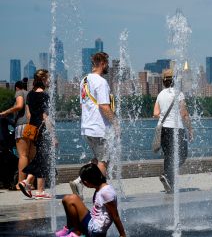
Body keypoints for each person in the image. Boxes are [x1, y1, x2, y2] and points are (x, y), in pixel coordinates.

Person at [70, 52, 119, 199]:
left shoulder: (84, 80)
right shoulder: (101, 81)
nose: (107, 67)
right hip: (99, 128)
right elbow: (104, 106)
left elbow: (82, 104)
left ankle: (79, 181)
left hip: (88, 127)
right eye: (107, 64)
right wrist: (116, 124)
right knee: (103, 162)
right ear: (103, 63)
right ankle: (101, 196)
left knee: (98, 158)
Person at [56, 163, 126, 237]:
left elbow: (115, 215)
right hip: (93, 224)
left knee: (72, 199)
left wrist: (122, 234)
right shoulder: (100, 187)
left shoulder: (106, 192)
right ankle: (70, 228)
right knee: (67, 200)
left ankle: (76, 233)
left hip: (95, 230)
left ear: (86, 182)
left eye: (82, 181)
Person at [18, 69, 58, 199]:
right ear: (43, 80)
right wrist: (53, 136)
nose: (49, 81)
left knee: (41, 157)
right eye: (48, 79)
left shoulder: (30, 94)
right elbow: (45, 116)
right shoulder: (44, 95)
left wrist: (32, 130)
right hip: (43, 130)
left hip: (33, 129)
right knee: (43, 157)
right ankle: (30, 184)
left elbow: (29, 115)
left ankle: (33, 185)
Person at [153, 68, 193, 193]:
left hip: (163, 129)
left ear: (164, 81)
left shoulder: (160, 94)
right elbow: (184, 114)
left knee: (168, 156)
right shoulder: (178, 94)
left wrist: (166, 116)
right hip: (176, 129)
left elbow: (155, 113)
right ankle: (167, 174)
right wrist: (190, 129)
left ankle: (169, 182)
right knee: (182, 154)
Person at [0, 80, 35, 190]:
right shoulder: (31, 95)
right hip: (32, 126)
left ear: (17, 88)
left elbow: (19, 105)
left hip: (22, 125)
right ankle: (30, 183)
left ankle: (20, 183)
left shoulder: (20, 92)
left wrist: (6, 112)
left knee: (23, 155)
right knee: (31, 156)